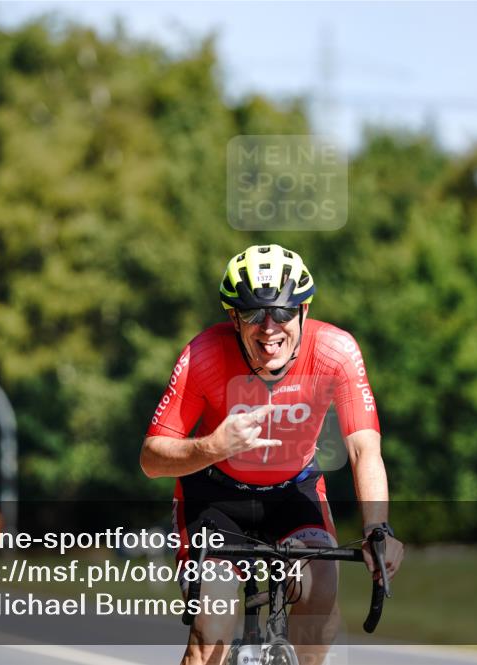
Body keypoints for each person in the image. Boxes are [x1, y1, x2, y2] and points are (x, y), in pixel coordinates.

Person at [140, 244, 404, 665]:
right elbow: (151, 457)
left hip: (293, 492)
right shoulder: (203, 355)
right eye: (252, 314)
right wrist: (214, 446)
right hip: (214, 498)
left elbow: (363, 447)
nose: (269, 328)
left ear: (303, 311)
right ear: (232, 318)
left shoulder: (336, 352)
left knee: (320, 595)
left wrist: (378, 528)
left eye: (282, 312)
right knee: (213, 627)